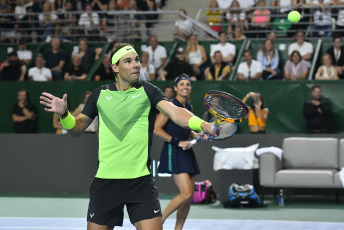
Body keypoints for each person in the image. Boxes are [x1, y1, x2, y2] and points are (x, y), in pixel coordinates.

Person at [39, 42, 216, 230]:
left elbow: (175, 112)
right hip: (106, 182)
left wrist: (203, 124)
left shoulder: (148, 91)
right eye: (128, 61)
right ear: (115, 67)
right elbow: (76, 130)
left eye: (137, 60)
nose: (136, 65)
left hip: (140, 182)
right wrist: (65, 115)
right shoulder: (100, 94)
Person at [154, 74, 208, 230]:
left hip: (186, 151)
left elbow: (187, 129)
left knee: (189, 197)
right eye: (182, 84)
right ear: (176, 88)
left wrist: (196, 135)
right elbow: (156, 129)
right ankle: (159, 222)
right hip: (174, 149)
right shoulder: (169, 106)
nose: (186, 86)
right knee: (185, 193)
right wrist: (179, 142)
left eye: (188, 84)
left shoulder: (189, 107)